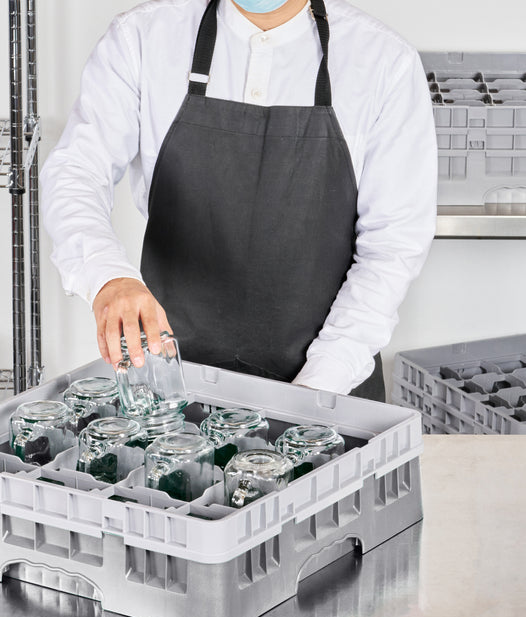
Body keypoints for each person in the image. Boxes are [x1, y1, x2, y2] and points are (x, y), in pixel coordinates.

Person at [41, 0, 437, 401]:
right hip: (172, 390)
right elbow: (76, 173)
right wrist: (108, 277)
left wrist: (317, 392)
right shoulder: (142, 38)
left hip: (330, 394)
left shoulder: (384, 61)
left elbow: (391, 248)